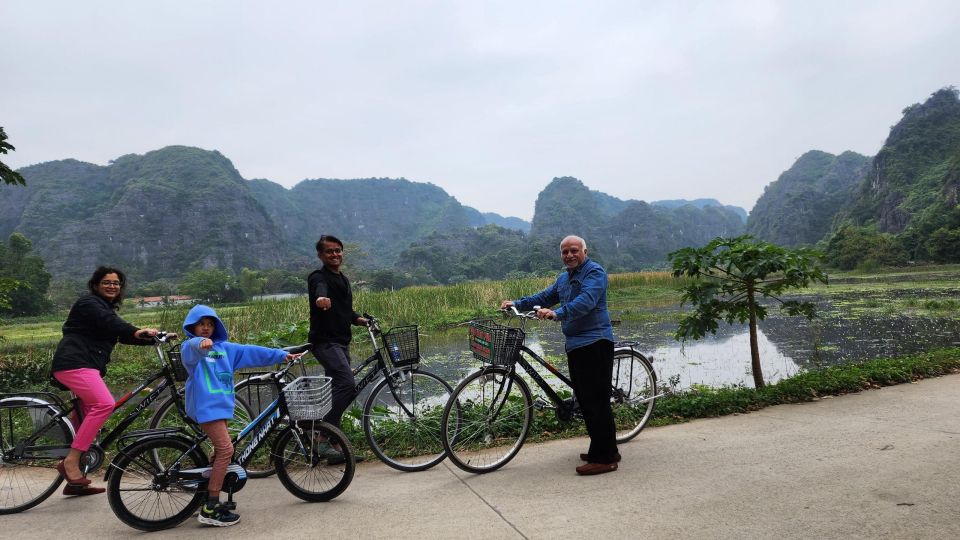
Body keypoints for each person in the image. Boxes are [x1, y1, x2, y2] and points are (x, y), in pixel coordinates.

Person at [501, 235, 619, 476]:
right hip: (576, 344)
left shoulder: (595, 273)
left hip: (595, 341)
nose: (569, 255)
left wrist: (557, 314)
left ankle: (605, 459)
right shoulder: (564, 279)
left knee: (595, 401)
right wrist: (517, 303)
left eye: (574, 250)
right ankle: (607, 448)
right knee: (586, 400)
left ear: (584, 251)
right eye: (564, 252)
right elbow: (543, 297)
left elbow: (585, 302)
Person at [50, 266, 169, 496]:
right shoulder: (90, 304)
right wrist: (137, 330)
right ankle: (71, 462)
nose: (112, 286)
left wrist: (156, 337)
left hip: (86, 366)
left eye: (116, 283)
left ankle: (74, 481)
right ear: (95, 285)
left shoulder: (104, 309)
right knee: (104, 404)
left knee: (85, 421)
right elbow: (116, 326)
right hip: (75, 363)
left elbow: (121, 333)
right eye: (107, 282)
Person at [180, 304, 301, 527]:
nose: (206, 329)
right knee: (227, 449)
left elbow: (252, 352)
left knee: (220, 450)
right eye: (201, 325)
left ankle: (204, 496)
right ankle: (211, 506)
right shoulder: (191, 348)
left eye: (210, 325)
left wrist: (282, 355)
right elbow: (191, 348)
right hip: (206, 407)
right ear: (192, 327)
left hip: (221, 407)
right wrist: (200, 343)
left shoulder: (226, 349)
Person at [307, 234, 368, 462]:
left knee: (338, 391)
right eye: (329, 251)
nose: (335, 254)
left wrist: (359, 319)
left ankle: (332, 444)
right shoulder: (318, 277)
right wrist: (321, 299)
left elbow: (344, 311)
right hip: (325, 342)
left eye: (338, 250)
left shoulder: (342, 279)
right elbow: (319, 290)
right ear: (321, 255)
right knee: (347, 384)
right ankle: (322, 436)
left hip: (341, 343)